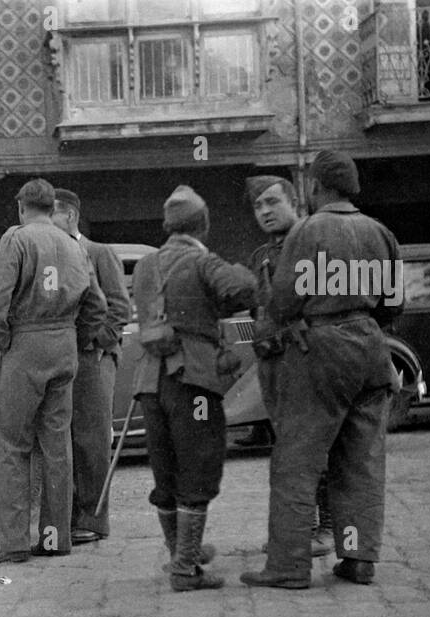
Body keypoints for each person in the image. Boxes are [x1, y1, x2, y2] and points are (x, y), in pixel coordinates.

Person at [241, 151, 400, 588]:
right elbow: (394, 303)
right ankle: (358, 558)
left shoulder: (308, 231)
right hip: (372, 347)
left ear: (314, 187)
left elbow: (284, 302)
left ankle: (288, 567)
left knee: (296, 459)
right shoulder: (380, 232)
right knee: (360, 460)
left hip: (322, 349)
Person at [131, 186, 255, 591]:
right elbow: (241, 292)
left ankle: (180, 554)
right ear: (203, 225)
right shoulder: (203, 261)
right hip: (195, 384)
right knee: (199, 465)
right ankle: (186, 568)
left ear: (167, 226)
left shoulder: (148, 264)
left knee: (165, 471)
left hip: (151, 383)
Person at [0, 178, 108, 563]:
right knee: (57, 445)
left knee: (10, 444)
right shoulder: (72, 243)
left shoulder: (16, 239)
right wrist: (76, 337)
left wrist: (4, 341)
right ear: (53, 207)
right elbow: (97, 306)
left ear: (22, 207)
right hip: (65, 345)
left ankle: (14, 543)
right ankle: (56, 537)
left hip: (26, 344)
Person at [245, 174, 334, 558]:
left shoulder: (314, 243)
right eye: (258, 206)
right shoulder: (261, 256)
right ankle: (299, 529)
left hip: (307, 359)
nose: (265, 211)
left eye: (272, 202)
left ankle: (327, 527)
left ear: (295, 204)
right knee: (287, 449)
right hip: (274, 363)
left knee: (314, 446)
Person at [51, 188, 129, 544]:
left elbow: (118, 308)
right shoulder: (49, 256)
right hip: (60, 359)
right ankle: (66, 517)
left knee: (92, 440)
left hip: (92, 360)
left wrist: (96, 345)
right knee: (63, 438)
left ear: (69, 216)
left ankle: (94, 520)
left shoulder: (98, 252)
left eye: (49, 215)